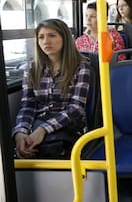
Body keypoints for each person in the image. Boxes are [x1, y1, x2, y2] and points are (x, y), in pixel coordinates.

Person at [12, 19, 90, 159]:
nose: (46, 41)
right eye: (41, 37)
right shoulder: (31, 69)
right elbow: (27, 105)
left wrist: (44, 129)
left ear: (64, 38)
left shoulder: (80, 67)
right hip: (38, 123)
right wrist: (20, 132)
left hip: (69, 124)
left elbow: (76, 108)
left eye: (52, 35)